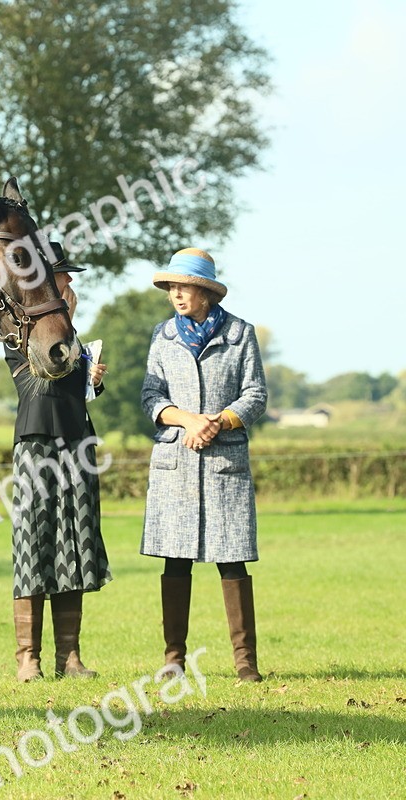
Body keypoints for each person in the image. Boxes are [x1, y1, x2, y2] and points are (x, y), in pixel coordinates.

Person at [140, 248, 267, 682]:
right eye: (172, 287)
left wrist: (218, 421)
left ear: (206, 292)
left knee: (232, 560)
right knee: (175, 560)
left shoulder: (241, 334)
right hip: (176, 462)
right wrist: (188, 420)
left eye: (184, 287)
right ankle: (173, 659)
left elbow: (255, 395)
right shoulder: (162, 336)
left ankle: (245, 661)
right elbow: (151, 398)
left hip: (223, 462)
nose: (176, 295)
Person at [5, 242, 111, 682]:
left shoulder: (73, 334)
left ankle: (69, 657)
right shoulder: (20, 331)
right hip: (36, 442)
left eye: (66, 278)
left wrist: (94, 380)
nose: (69, 284)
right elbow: (44, 378)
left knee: (76, 545)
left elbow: (75, 390)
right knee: (33, 547)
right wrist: (75, 353)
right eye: (61, 277)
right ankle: (28, 657)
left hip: (77, 443)